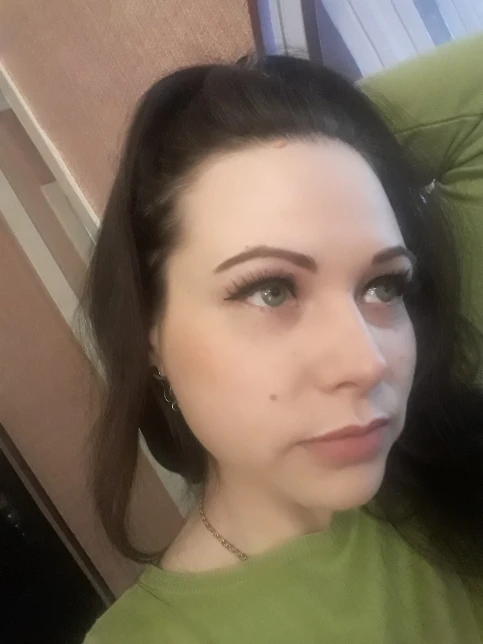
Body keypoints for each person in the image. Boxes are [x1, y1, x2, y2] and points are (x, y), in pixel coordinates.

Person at [83, 34, 483, 643]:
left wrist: (333, 139)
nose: (368, 362)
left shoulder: (447, 458)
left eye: (383, 286)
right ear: (148, 333)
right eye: (270, 290)